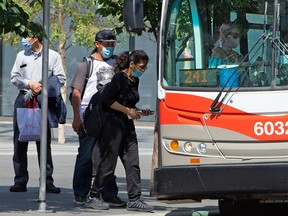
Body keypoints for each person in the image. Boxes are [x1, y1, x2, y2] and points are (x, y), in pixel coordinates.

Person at [85, 50, 154, 212]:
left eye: (145, 68)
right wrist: (127, 110)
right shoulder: (119, 78)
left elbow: (128, 103)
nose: (142, 70)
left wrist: (138, 111)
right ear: (131, 64)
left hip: (127, 127)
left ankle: (135, 199)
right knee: (108, 164)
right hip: (113, 127)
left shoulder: (134, 80)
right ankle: (93, 196)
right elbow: (107, 100)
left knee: (133, 163)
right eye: (140, 67)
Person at [70, 28, 125, 207]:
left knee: (108, 156)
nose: (110, 47)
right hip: (90, 115)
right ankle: (80, 193)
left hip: (111, 116)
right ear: (97, 44)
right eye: (106, 44)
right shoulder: (86, 64)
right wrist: (77, 117)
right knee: (86, 156)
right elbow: (76, 92)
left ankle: (109, 193)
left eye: (112, 44)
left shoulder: (116, 63)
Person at [10, 24, 66, 193]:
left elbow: (60, 78)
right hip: (23, 98)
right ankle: (20, 180)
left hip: (43, 99)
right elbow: (14, 77)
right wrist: (30, 83)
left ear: (35, 37)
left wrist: (41, 85)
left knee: (43, 141)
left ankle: (47, 181)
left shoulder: (53, 55)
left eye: (26, 36)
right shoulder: (21, 55)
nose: (24, 40)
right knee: (20, 140)